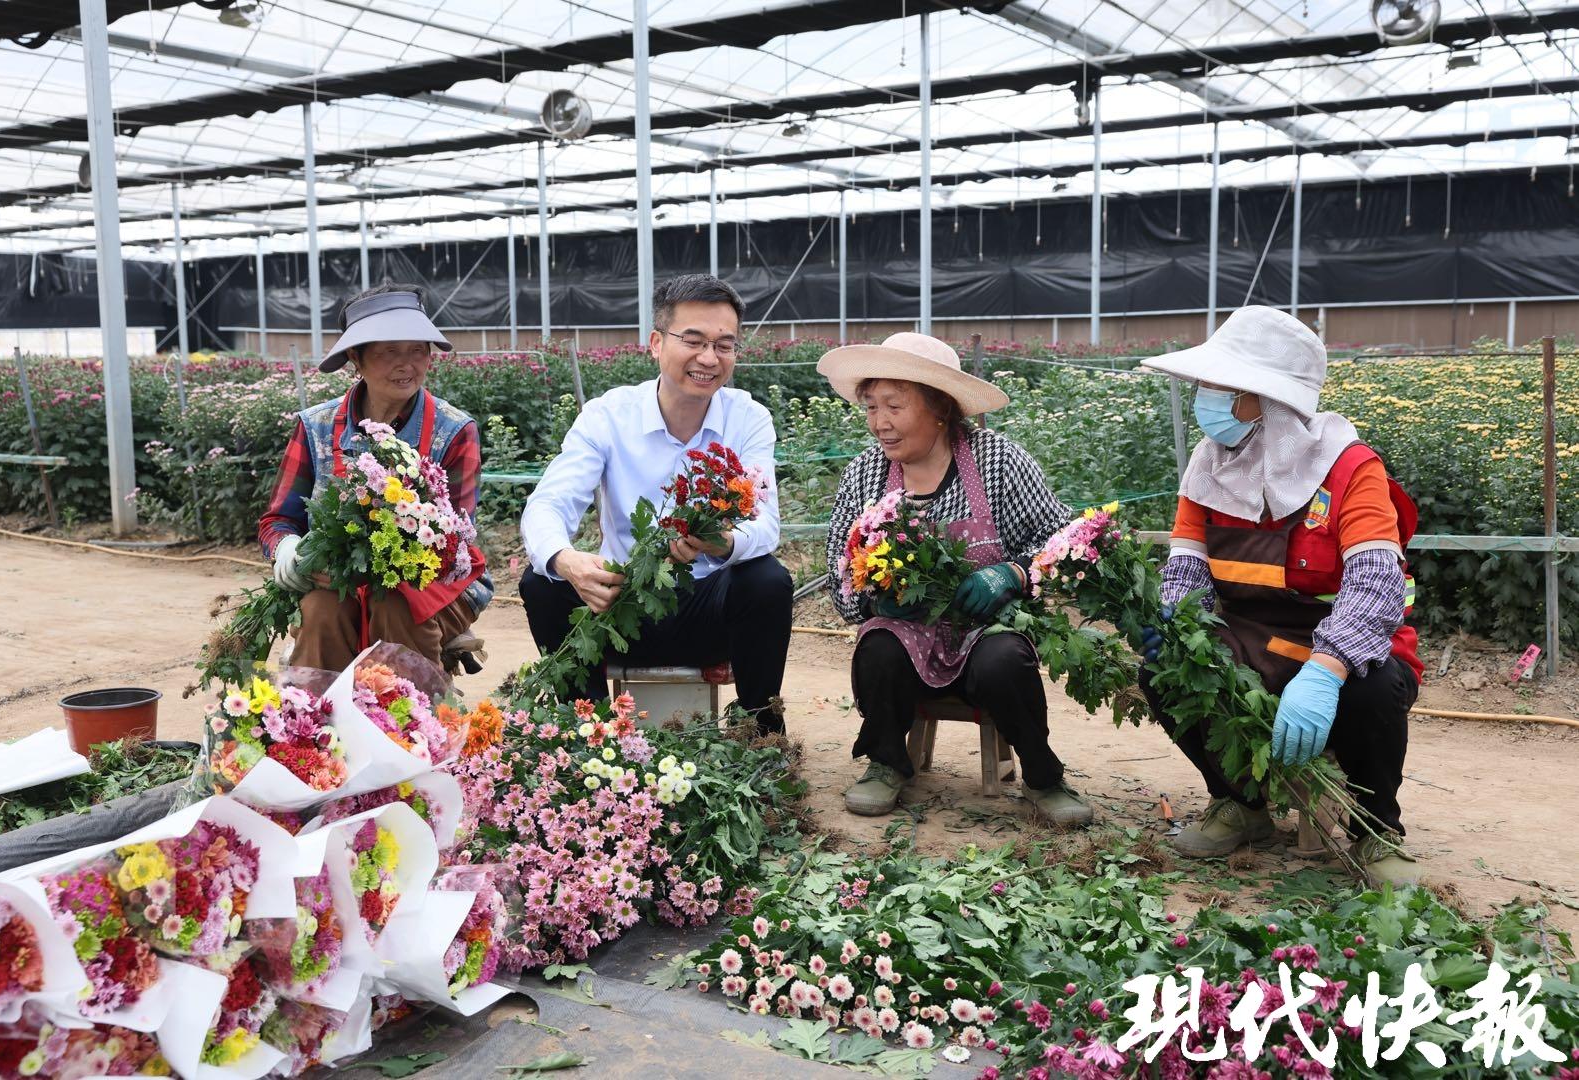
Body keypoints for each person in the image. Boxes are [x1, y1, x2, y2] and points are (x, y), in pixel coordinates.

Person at [1141, 305, 1424, 885]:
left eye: (1217, 388)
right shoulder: (1208, 467)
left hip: (1351, 639)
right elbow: (1187, 566)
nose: (1204, 399)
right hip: (1249, 635)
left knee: (1372, 693)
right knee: (1168, 670)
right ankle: (1239, 805)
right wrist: (1173, 619)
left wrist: (1326, 668)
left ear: (1263, 400)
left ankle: (1375, 830)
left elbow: (1376, 582)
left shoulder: (1350, 469)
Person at [817, 333, 1084, 822]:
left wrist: (1014, 573)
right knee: (878, 648)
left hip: (984, 628)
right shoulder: (864, 475)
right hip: (905, 633)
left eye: (894, 406)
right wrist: (875, 602)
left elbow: (1065, 541)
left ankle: (1043, 777)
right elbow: (839, 569)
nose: (880, 423)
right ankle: (886, 764)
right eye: (872, 407)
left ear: (940, 407)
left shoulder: (998, 462)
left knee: (1005, 659)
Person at [518, 274, 792, 733]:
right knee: (544, 580)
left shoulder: (748, 418)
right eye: (693, 340)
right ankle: (587, 738)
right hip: (620, 611)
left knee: (767, 579)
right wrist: (567, 561)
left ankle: (761, 734)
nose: (709, 358)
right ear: (655, 343)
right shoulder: (607, 416)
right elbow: (548, 504)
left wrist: (719, 541)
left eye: (725, 344)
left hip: (709, 617)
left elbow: (765, 524)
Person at [259, 282, 491, 672]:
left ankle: (413, 727)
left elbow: (456, 539)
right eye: (389, 352)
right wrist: (287, 549)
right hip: (334, 581)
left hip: (437, 585)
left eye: (418, 350)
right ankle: (317, 724)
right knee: (320, 610)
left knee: (396, 605)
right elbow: (279, 518)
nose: (408, 364)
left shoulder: (452, 431)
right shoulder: (315, 427)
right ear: (356, 358)